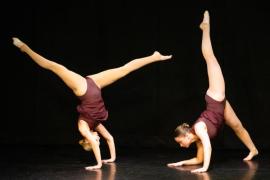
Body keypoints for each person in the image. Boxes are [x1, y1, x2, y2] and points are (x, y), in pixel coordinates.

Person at [12, 37, 172, 170]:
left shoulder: (83, 128)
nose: (98, 140)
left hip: (82, 87)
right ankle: (154, 57)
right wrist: (111, 158)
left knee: (55, 67)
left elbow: (95, 143)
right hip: (94, 85)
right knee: (124, 70)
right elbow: (110, 138)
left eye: (95, 140)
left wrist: (98, 164)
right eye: (97, 140)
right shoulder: (95, 124)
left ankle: (24, 47)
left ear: (88, 139)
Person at [167, 10, 258, 173]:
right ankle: (254, 150)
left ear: (187, 135)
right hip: (221, 109)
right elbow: (198, 158)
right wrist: (181, 163)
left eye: (180, 141)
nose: (181, 145)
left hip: (215, 97)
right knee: (237, 127)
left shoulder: (200, 129)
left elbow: (208, 149)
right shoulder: (198, 140)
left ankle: (206, 28)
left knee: (210, 58)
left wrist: (204, 169)